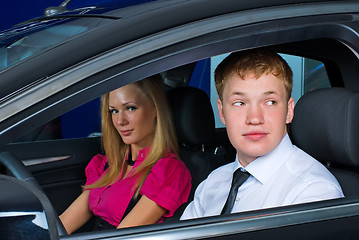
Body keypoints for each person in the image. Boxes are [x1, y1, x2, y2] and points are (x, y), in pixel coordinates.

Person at [181, 49, 343, 220]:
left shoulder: (313, 192)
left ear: (289, 110)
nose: (255, 118)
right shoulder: (213, 182)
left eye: (270, 102)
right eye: (240, 103)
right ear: (222, 112)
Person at [60, 76, 191, 234]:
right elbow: (62, 224)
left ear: (156, 109)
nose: (120, 121)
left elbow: (122, 237)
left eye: (130, 108)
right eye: (114, 111)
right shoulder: (108, 164)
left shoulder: (168, 171)